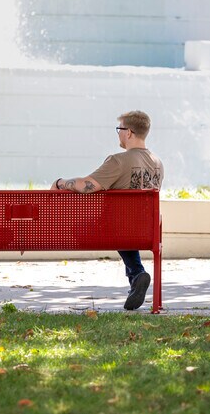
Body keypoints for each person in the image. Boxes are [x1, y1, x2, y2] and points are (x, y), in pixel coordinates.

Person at [50, 110, 164, 310]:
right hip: (147, 230)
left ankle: (137, 274)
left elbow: (87, 185)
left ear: (128, 132)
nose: (118, 134)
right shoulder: (157, 162)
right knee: (124, 224)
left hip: (111, 230)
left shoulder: (118, 160)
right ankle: (136, 275)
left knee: (115, 222)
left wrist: (59, 183)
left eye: (119, 129)